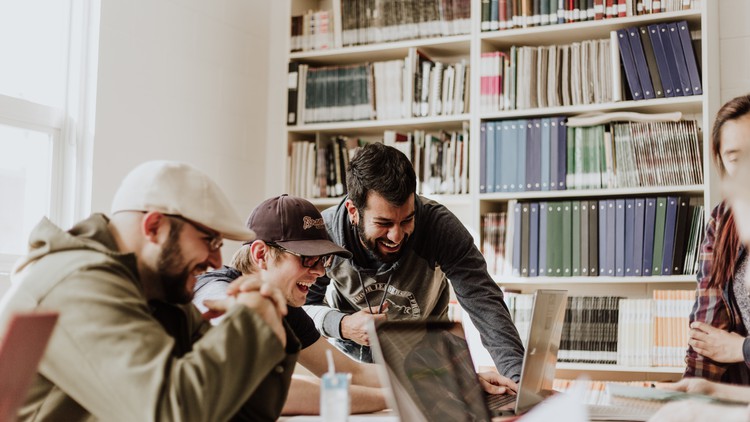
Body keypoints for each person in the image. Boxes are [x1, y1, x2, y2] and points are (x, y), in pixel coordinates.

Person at [0, 161, 299, 421]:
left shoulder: (160, 292)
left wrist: (269, 322)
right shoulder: (77, 284)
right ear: (154, 226)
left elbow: (247, 413)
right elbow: (171, 412)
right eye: (209, 240)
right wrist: (250, 321)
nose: (216, 261)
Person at [303, 142, 525, 388]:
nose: (396, 236)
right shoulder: (325, 233)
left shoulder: (439, 227)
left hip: (428, 363)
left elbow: (485, 302)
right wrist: (342, 325)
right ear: (353, 211)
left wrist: (519, 385)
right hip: (353, 368)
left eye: (407, 220)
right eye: (384, 223)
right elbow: (302, 309)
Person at [193, 194, 386, 415]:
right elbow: (265, 389)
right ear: (261, 254)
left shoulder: (284, 307)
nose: (320, 272)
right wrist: (391, 398)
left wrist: (420, 380)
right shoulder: (213, 291)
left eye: (322, 260)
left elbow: (350, 373)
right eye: (307, 258)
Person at [685, 94, 750, 384]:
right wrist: (689, 392)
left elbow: (729, 346)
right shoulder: (723, 220)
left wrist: (741, 348)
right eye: (736, 158)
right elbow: (706, 332)